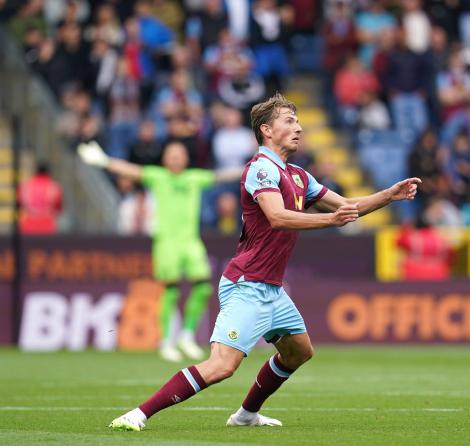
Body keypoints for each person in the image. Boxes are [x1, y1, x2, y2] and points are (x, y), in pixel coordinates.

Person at [105, 93, 420, 431]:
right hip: (247, 284)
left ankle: (245, 415)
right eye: (290, 121)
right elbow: (277, 216)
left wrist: (389, 194)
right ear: (267, 130)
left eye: (298, 121)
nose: (299, 128)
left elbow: (346, 205)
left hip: (271, 289)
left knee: (299, 351)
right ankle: (137, 414)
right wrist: (331, 221)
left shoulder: (298, 175)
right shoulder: (260, 169)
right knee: (221, 366)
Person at [77, 140, 241, 362]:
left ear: (185, 158)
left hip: (191, 241)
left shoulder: (194, 178)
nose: (175, 158)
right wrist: (104, 161)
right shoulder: (158, 176)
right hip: (166, 242)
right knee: (170, 290)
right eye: (172, 154)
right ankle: (166, 341)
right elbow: (131, 170)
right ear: (165, 158)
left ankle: (186, 335)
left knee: (203, 287)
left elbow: (222, 175)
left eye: (179, 154)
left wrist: (256, 165)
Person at [18, 162, 63, 234]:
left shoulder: (26, 186)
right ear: (48, 172)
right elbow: (58, 208)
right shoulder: (54, 187)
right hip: (47, 224)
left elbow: (20, 204)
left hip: (29, 224)